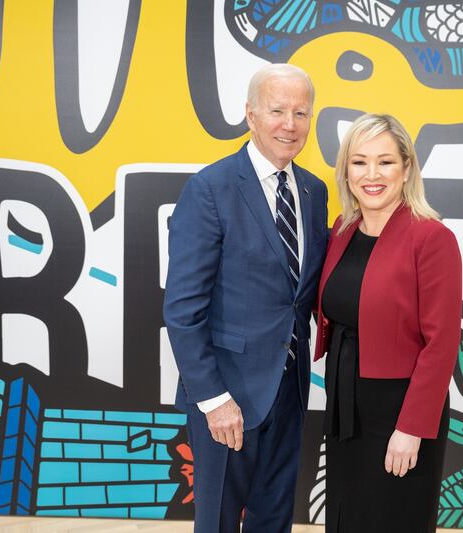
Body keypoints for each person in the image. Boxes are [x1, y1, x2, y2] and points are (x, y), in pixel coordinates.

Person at [164, 63, 329, 533]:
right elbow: (183, 308)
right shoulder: (210, 188)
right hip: (227, 393)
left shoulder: (314, 192)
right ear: (250, 114)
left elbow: (300, 295)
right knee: (217, 520)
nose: (290, 125)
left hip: (290, 390)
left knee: (274, 519)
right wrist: (213, 399)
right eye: (277, 110)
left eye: (301, 112)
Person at [313, 114, 462, 532]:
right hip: (344, 400)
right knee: (347, 516)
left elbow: (442, 344)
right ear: (346, 171)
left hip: (399, 407)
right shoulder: (342, 231)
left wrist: (411, 428)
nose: (372, 175)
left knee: (393, 518)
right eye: (359, 162)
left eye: (385, 162)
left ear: (407, 168)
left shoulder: (432, 239)